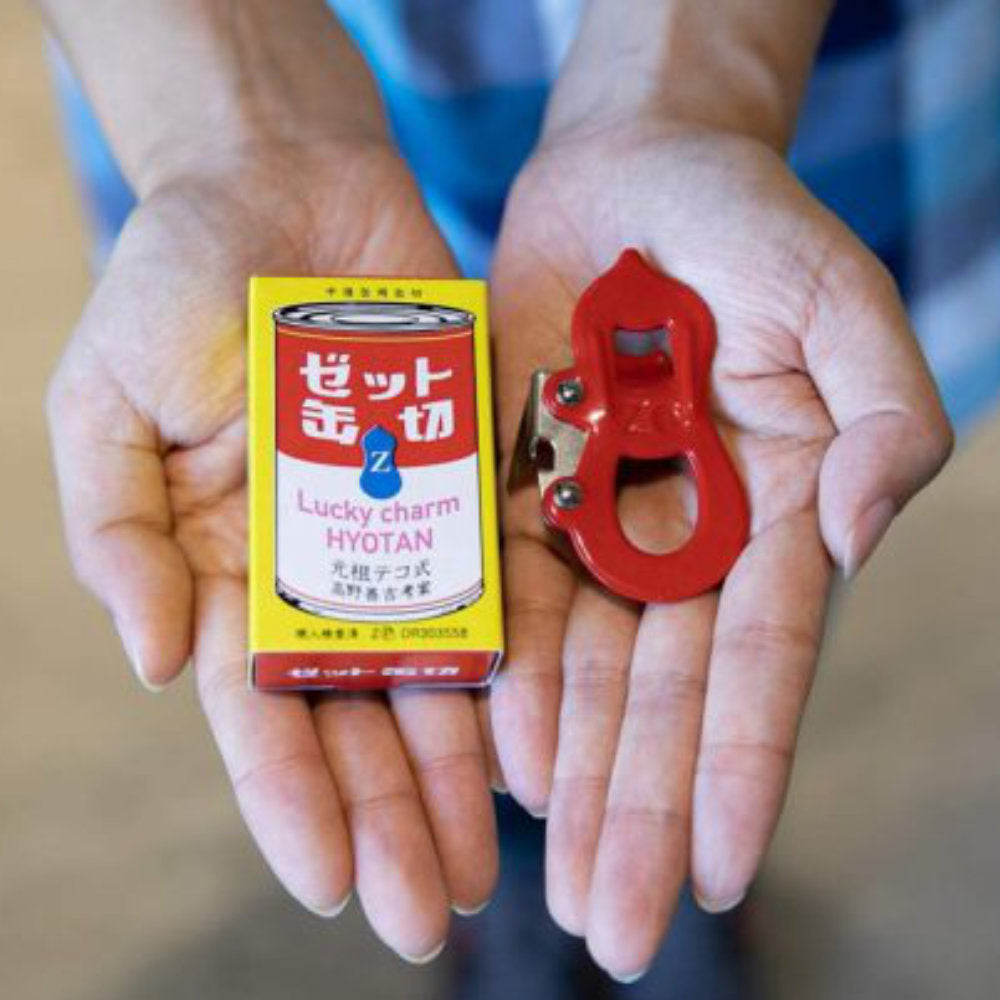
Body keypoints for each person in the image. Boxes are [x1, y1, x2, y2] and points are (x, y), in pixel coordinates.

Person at [40, 0, 994, 987]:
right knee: (482, 673)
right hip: (250, 80)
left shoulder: (684, 358)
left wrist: (695, 86)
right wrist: (227, 126)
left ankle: (649, 866)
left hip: (777, 77)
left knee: (764, 526)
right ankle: (512, 868)